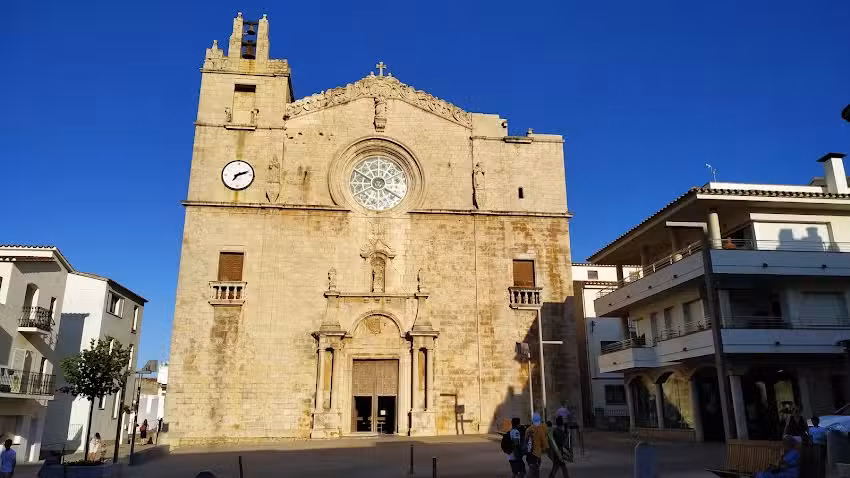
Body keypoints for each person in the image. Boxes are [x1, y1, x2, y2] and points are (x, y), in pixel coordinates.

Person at [525, 413, 549, 478]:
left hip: (529, 453)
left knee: (534, 469)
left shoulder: (528, 429)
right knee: (533, 469)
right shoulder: (543, 428)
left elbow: (526, 440)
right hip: (537, 454)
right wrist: (546, 448)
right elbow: (545, 440)